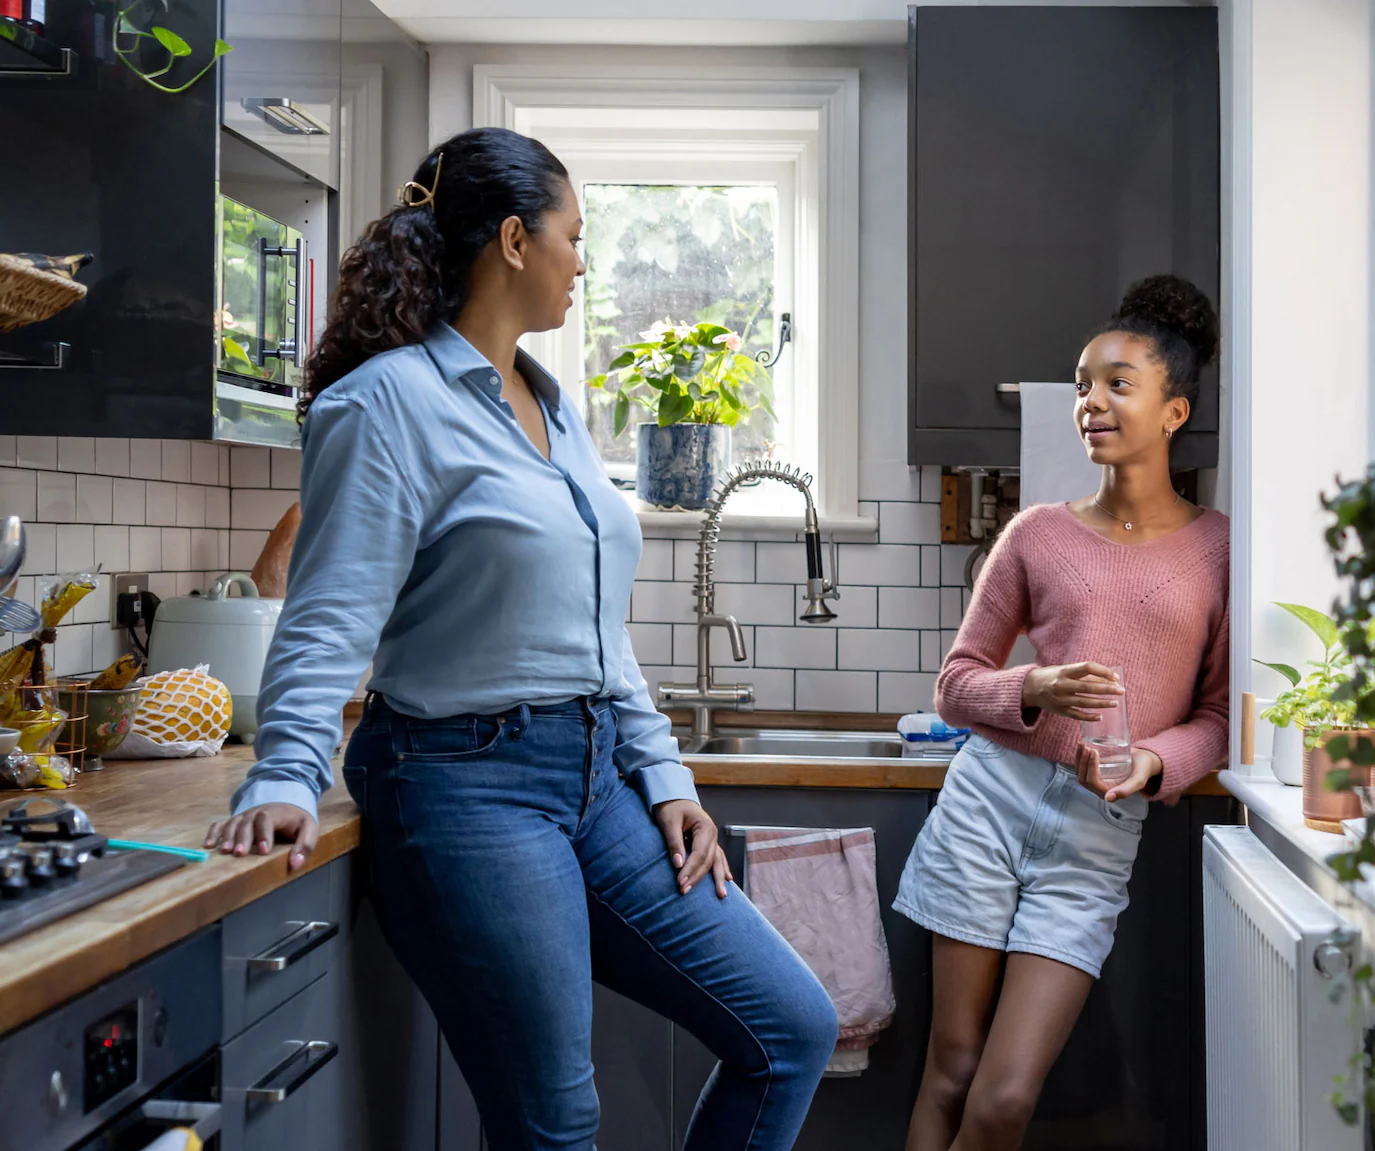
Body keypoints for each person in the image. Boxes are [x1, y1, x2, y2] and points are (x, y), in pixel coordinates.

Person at [203, 128, 838, 1151]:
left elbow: (598, 631)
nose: (583, 263)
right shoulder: (386, 402)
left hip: (596, 780)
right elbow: (328, 613)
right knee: (555, 1121)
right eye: (572, 237)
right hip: (461, 785)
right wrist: (283, 773)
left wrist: (666, 775)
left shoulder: (554, 407)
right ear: (512, 238)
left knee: (791, 1026)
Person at [894, 276, 1231, 1150]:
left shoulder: (1221, 547)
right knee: (952, 1069)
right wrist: (1032, 688)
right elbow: (956, 684)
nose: (1091, 402)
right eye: (1083, 384)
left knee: (1005, 1098)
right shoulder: (1035, 532)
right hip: (989, 802)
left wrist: (1152, 762)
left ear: (1174, 411)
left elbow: (1220, 716)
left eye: (1118, 384)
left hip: (1095, 838)